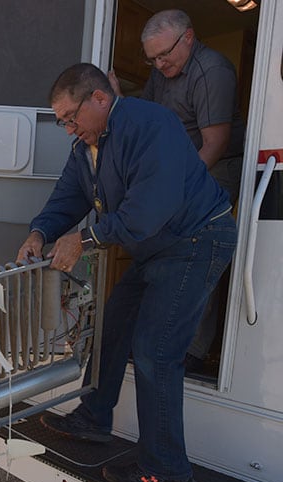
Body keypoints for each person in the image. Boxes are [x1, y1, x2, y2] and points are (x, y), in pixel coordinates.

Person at [17, 63, 237, 482]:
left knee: (156, 349)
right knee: (112, 327)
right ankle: (94, 418)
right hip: (156, 246)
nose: (67, 129)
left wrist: (85, 237)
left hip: (195, 239)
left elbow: (148, 210)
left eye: (70, 118)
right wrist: (39, 231)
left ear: (100, 99)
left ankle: (167, 469)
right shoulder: (86, 145)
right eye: (61, 121)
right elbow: (69, 195)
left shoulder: (151, 125)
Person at [110, 8, 246, 372]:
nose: (158, 64)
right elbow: (152, 119)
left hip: (212, 167)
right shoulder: (161, 71)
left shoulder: (212, 70)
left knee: (195, 249)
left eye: (164, 54)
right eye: (151, 58)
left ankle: (193, 349)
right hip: (180, 166)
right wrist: (118, 103)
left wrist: (175, 190)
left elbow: (214, 143)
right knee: (158, 248)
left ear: (187, 37)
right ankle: (150, 338)